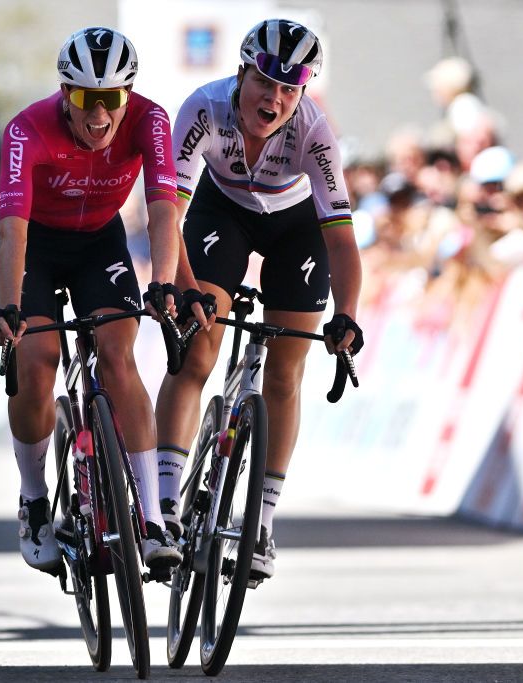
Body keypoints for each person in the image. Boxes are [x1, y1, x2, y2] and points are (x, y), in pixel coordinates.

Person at [155, 18, 364, 581]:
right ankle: (165, 509)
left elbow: (341, 239)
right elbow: (167, 211)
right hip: (220, 214)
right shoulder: (204, 107)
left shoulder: (314, 131)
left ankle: (262, 521)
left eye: (289, 88)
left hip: (297, 227)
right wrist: (183, 282)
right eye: (265, 82)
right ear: (242, 73)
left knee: (286, 372)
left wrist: (347, 314)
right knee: (197, 350)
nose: (274, 98)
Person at [0, 26, 183, 573]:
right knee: (37, 358)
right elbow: (13, 228)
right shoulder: (28, 129)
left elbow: (165, 207)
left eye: (111, 99)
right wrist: (9, 306)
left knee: (118, 355)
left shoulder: (151, 119)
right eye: (83, 99)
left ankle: (150, 516)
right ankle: (33, 500)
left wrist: (164, 281)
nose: (99, 115)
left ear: (128, 95)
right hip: (36, 247)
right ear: (64, 92)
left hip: (101, 242)